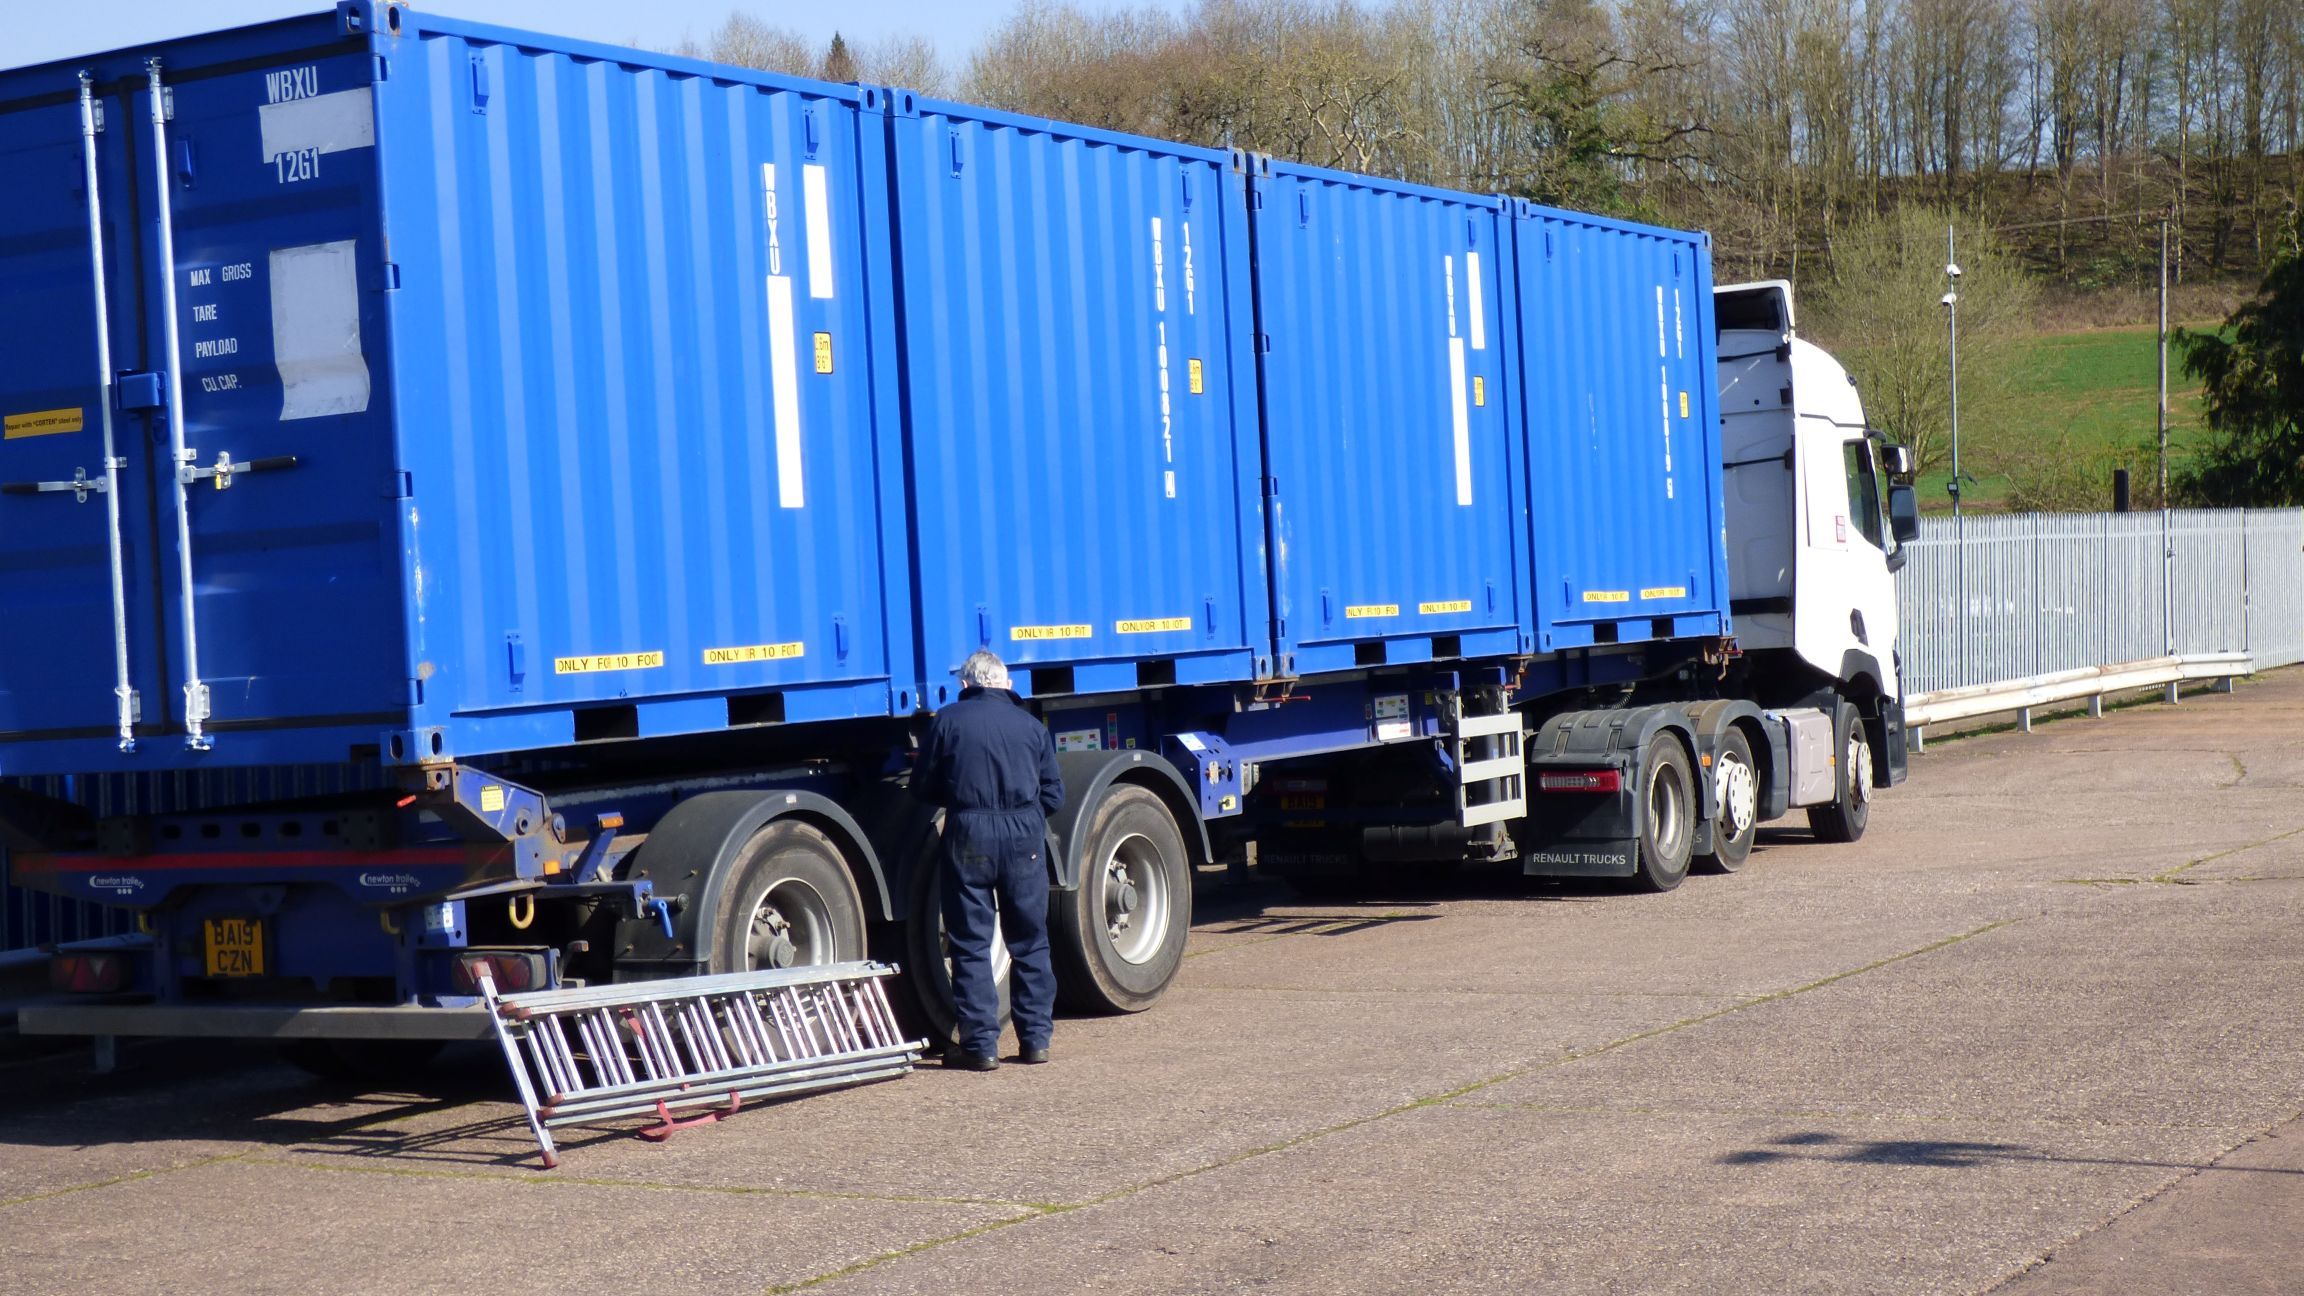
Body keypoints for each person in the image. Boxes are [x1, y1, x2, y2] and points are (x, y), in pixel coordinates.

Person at [912, 649, 1064, 1070]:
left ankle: (980, 1047)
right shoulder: (1032, 727)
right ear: (1007, 684)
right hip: (1023, 836)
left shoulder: (947, 721)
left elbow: (921, 786)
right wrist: (1026, 817)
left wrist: (963, 803)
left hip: (969, 833)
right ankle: (1035, 1041)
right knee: (1030, 939)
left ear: (966, 684)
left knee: (971, 942)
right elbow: (1055, 793)